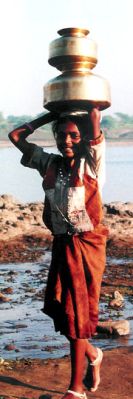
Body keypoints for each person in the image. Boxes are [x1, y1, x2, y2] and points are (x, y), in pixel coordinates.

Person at [9, 108, 108, 399]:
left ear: (83, 138)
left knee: (78, 316)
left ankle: (75, 390)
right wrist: (48, 116)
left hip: (87, 245)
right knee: (58, 308)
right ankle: (93, 354)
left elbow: (92, 116)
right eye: (62, 134)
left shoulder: (92, 164)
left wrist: (90, 111)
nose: (67, 140)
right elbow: (16, 136)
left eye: (74, 135)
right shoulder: (49, 164)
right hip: (62, 243)